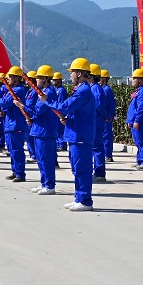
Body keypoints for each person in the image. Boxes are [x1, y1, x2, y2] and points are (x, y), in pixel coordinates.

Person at [46, 58, 96, 211]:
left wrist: (48, 101)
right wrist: (68, 120)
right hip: (76, 134)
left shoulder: (83, 91)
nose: (71, 75)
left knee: (82, 169)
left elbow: (65, 106)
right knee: (77, 168)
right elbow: (76, 112)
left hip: (81, 136)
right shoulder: (80, 89)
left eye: (72, 72)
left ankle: (85, 201)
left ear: (79, 73)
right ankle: (79, 198)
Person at [28, 65, 59, 195]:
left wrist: (22, 106)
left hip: (45, 130)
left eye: (39, 78)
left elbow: (38, 111)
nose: (37, 80)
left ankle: (49, 185)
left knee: (46, 159)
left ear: (45, 79)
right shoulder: (43, 92)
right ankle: (44, 183)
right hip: (39, 129)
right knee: (41, 159)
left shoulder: (49, 93)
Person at [0, 66, 29, 182]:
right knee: (12, 150)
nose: (8, 79)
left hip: (16, 124)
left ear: (16, 78)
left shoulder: (18, 90)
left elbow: (5, 102)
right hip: (10, 123)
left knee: (17, 150)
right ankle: (15, 171)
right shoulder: (12, 90)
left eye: (10, 77)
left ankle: (20, 173)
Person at [126, 68, 143, 169]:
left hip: (140, 122)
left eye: (134, 79)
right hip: (134, 121)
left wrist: (137, 120)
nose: (133, 81)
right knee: (138, 142)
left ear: (140, 80)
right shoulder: (138, 91)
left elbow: (141, 108)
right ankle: (140, 160)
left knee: (142, 142)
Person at [89, 64, 109, 182]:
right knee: (95, 147)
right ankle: (98, 171)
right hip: (95, 121)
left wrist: (104, 116)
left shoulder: (95, 88)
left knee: (97, 147)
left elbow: (98, 105)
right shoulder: (93, 88)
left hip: (96, 121)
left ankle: (99, 172)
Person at [100, 69, 117, 162]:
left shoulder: (106, 90)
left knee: (106, 136)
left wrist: (109, 116)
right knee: (103, 136)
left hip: (106, 117)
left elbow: (110, 104)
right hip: (103, 117)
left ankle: (108, 155)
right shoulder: (102, 89)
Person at [52, 72, 68, 151]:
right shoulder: (56, 90)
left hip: (60, 113)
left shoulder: (61, 91)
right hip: (56, 112)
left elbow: (61, 102)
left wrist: (60, 113)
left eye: (55, 80)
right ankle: (59, 143)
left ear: (59, 81)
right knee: (57, 130)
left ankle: (62, 145)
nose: (53, 82)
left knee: (60, 130)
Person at [24, 71, 39, 159]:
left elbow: (33, 105)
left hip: (32, 116)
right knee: (29, 138)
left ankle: (34, 155)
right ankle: (32, 154)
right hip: (28, 115)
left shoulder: (35, 91)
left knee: (32, 138)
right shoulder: (30, 91)